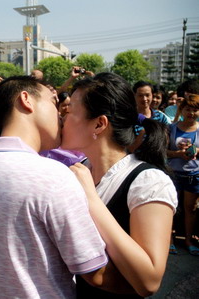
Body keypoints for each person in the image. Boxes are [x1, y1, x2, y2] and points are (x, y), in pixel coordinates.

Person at [0, 76, 116, 299]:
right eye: (54, 104)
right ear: (26, 100)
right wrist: (140, 282)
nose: (60, 115)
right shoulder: (52, 175)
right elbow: (94, 272)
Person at [62, 72, 177, 297]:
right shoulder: (79, 170)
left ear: (99, 124)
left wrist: (92, 201)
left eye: (70, 111)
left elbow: (149, 281)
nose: (62, 118)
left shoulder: (148, 182)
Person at [167, 94, 199, 256]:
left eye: (195, 110)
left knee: (190, 209)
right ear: (182, 110)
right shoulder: (172, 128)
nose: (191, 113)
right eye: (188, 109)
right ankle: (169, 240)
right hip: (173, 175)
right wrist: (178, 154)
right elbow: (164, 151)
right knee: (172, 208)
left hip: (193, 176)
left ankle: (188, 240)